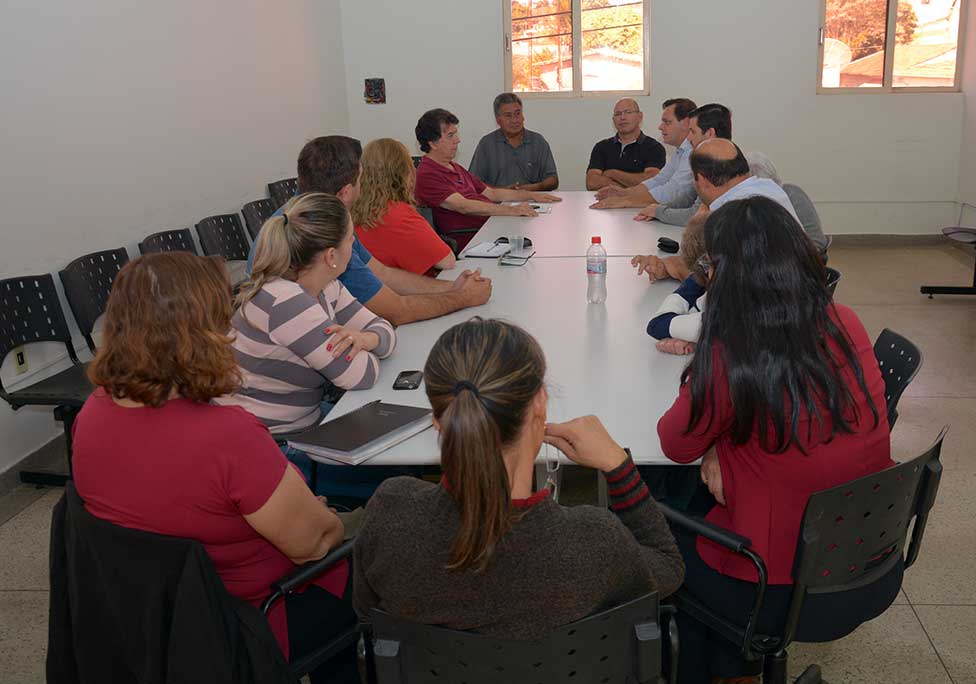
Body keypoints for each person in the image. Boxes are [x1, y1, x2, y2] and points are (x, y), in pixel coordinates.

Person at [72, 252, 356, 681]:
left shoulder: (91, 415)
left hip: (147, 621)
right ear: (206, 332)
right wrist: (322, 516)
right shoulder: (229, 436)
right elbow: (314, 545)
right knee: (359, 563)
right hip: (247, 623)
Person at [657, 198, 895, 683]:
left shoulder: (731, 350)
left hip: (776, 585)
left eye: (710, 266)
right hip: (867, 557)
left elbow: (674, 444)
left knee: (654, 527)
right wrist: (720, 446)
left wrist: (713, 438)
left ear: (725, 276)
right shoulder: (844, 321)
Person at [353, 318, 685, 639]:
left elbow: (369, 619)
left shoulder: (389, 513)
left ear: (438, 420)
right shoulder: (595, 542)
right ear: (540, 403)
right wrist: (617, 465)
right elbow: (668, 566)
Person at [248, 135, 493, 326]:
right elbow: (396, 311)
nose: (364, 187)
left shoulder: (302, 212)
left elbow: (382, 273)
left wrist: (452, 287)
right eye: (361, 180)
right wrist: (464, 298)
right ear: (345, 192)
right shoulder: (322, 232)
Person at [223, 192, 396, 434]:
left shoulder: (327, 286)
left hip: (302, 420)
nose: (354, 243)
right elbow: (360, 375)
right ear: (331, 256)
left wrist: (367, 339)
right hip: (271, 438)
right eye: (350, 238)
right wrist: (366, 344)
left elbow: (384, 329)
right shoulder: (287, 302)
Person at [631, 140, 799, 288]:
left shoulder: (731, 213)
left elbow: (717, 285)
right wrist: (670, 265)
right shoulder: (769, 188)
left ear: (701, 180)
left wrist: (674, 268)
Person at [414, 108, 561, 252]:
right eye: (450, 136)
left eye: (456, 134)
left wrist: (531, 196)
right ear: (432, 143)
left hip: (491, 226)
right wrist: (511, 210)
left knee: (543, 231)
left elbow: (492, 193)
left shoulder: (453, 167)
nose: (457, 140)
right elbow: (463, 206)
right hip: (473, 240)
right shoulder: (428, 174)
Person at [352, 137, 456, 276]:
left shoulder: (353, 212)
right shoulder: (398, 214)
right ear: (404, 173)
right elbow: (447, 261)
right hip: (412, 287)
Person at [590, 98, 696, 209]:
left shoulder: (693, 152)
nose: (660, 127)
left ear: (686, 123)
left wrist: (625, 201)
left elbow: (672, 190)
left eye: (667, 122)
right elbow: (659, 180)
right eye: (618, 114)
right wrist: (624, 193)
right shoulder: (680, 151)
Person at [469, 92, 558, 191]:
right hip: (497, 200)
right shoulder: (487, 144)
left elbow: (553, 180)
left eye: (517, 114)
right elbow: (473, 183)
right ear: (498, 120)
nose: (514, 120)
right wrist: (505, 191)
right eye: (508, 115)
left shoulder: (538, 141)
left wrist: (530, 188)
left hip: (533, 198)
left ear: (523, 116)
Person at [586, 98, 666, 192]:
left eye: (628, 112)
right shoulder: (601, 147)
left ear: (640, 116)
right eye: (618, 114)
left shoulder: (654, 148)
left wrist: (613, 173)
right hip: (607, 200)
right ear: (613, 120)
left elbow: (652, 181)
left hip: (639, 201)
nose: (622, 117)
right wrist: (625, 189)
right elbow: (591, 182)